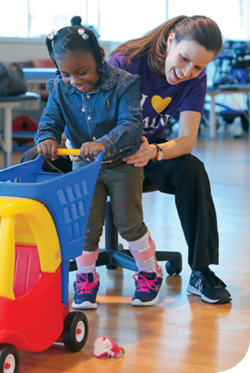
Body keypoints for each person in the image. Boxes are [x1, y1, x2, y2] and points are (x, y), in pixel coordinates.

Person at [35, 16, 165, 309]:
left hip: (123, 163)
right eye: (66, 74)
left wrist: (103, 144)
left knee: (129, 223)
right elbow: (50, 120)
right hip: (85, 166)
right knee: (84, 226)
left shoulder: (125, 83)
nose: (75, 81)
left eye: (82, 72)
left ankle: (149, 273)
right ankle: (86, 277)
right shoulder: (59, 88)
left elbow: (131, 125)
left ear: (101, 58)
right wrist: (47, 138)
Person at [108, 15, 232, 304]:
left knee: (192, 170)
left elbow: (187, 140)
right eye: (185, 58)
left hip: (148, 153)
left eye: (199, 66)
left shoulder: (195, 80)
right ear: (171, 40)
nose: (189, 71)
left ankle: (201, 271)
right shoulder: (125, 63)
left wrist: (155, 151)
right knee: (39, 160)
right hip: (107, 153)